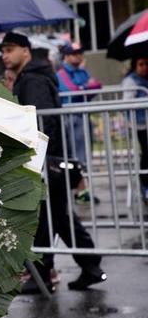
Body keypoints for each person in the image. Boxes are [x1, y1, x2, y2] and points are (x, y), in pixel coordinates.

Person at [0, 32, 106, 293]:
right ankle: (89, 266)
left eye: (10, 49)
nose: (5, 56)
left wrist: (43, 159)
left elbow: (44, 123)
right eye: (3, 51)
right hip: (48, 161)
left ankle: (45, 274)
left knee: (49, 216)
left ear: (26, 51)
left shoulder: (33, 79)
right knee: (57, 216)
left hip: (47, 162)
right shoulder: (30, 77)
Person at [56, 44, 101, 204]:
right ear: (66, 56)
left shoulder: (83, 71)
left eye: (79, 53)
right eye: (73, 53)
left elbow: (97, 86)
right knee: (76, 158)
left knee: (84, 157)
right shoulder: (61, 73)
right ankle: (79, 193)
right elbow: (71, 91)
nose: (77, 56)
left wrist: (83, 88)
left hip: (83, 117)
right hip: (71, 119)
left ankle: (82, 192)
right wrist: (85, 87)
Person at [121, 57, 148, 199]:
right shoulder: (131, 81)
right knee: (146, 153)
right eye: (141, 64)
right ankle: (145, 186)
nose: (144, 67)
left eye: (146, 64)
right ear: (135, 66)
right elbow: (127, 103)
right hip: (141, 124)